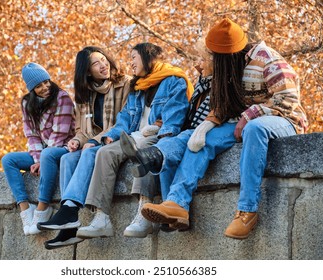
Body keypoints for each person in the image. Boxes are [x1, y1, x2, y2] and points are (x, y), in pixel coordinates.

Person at [120, 18, 308, 239]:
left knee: (255, 129)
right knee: (198, 141)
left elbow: (288, 99)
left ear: (225, 56)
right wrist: (208, 125)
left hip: (284, 120)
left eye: (212, 57)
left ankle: (247, 210)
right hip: (239, 123)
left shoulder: (265, 58)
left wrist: (251, 114)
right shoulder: (228, 67)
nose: (208, 62)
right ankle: (177, 203)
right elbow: (222, 105)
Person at [72, 42, 193, 239]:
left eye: (133, 59)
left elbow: (174, 121)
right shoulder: (136, 87)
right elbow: (125, 118)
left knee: (143, 152)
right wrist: (111, 135)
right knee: (104, 152)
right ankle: (101, 219)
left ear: (147, 57)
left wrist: (155, 130)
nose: (131, 64)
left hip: (159, 136)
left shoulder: (174, 80)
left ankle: (143, 213)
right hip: (134, 136)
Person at [36, 46, 131, 249]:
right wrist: (76, 141)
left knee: (87, 152)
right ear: (87, 71)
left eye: (103, 59)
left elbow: (125, 121)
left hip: (116, 140)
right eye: (96, 63)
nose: (103, 64)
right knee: (67, 157)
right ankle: (69, 227)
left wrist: (94, 140)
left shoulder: (125, 84)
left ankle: (69, 209)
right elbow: (81, 130)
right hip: (93, 143)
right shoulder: (85, 96)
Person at [1, 62, 76, 235]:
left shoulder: (62, 98)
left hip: (64, 148)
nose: (45, 87)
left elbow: (60, 134)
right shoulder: (27, 103)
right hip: (41, 153)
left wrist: (41, 160)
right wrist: (36, 159)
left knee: (48, 154)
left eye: (46, 82)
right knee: (8, 159)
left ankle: (43, 209)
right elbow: (32, 135)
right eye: (38, 86)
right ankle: (26, 209)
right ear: (31, 89)